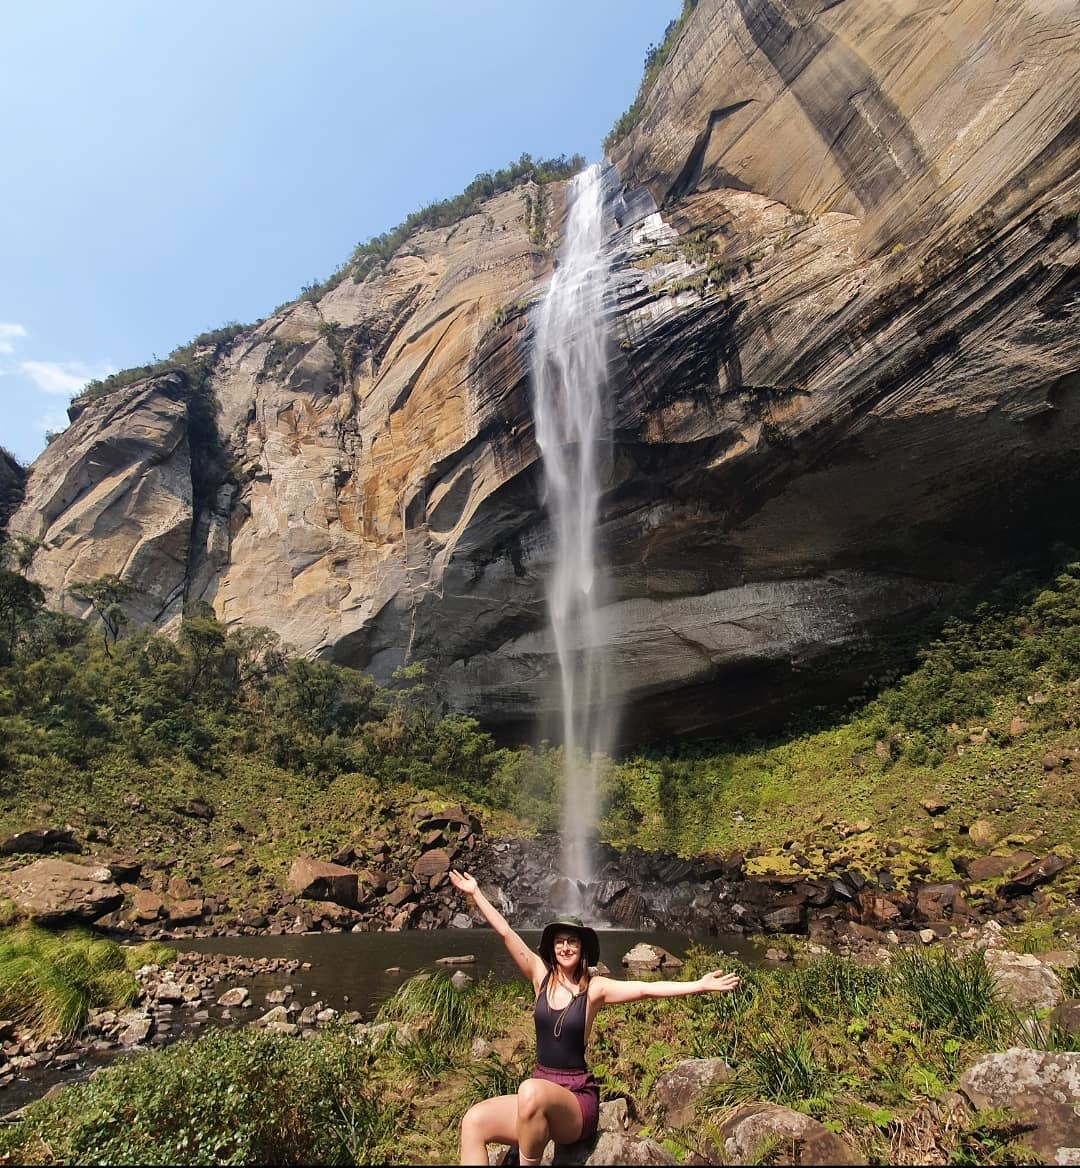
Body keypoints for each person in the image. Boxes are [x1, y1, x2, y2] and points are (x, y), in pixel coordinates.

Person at [449, 868, 741, 1166]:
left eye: (572, 942)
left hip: (575, 1101)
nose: (565, 947)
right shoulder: (540, 977)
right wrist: (476, 894)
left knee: (529, 1091)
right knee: (474, 1121)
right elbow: (506, 932)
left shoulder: (594, 989)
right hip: (536, 1098)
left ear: (582, 949)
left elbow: (644, 989)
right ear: (551, 948)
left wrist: (699, 985)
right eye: (560, 941)